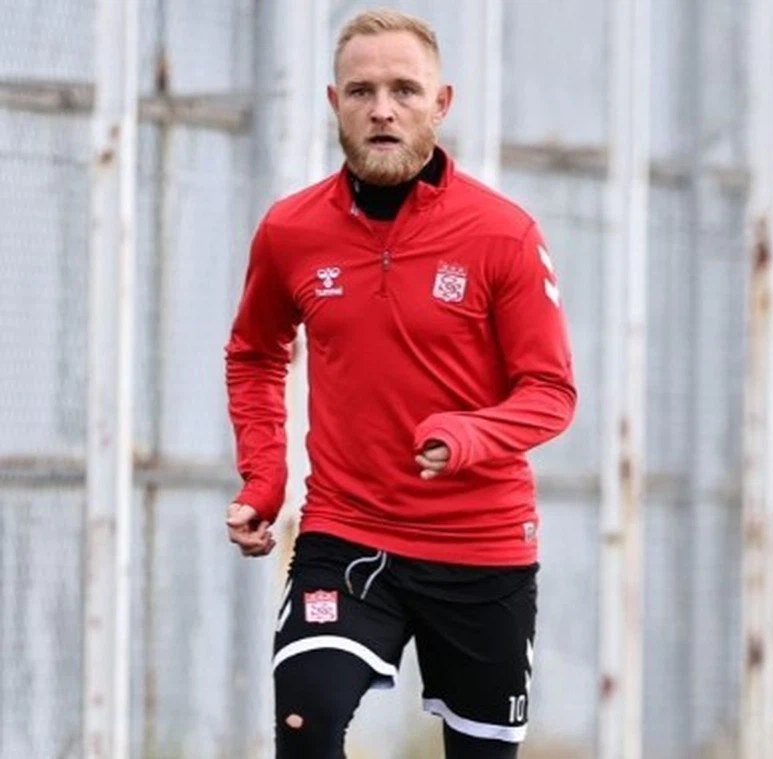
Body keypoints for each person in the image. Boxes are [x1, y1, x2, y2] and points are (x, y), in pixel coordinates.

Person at [223, 8, 576, 758]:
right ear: (334, 102)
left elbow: (551, 392)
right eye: (362, 91)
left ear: (440, 103)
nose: (382, 109)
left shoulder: (503, 234)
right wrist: (264, 477)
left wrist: (468, 434)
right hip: (347, 534)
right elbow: (254, 353)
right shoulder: (290, 231)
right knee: (306, 720)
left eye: (404, 90)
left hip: (482, 550)